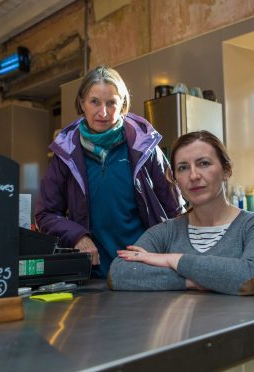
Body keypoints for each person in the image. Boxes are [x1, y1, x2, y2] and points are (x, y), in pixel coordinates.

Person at [35, 65, 184, 278]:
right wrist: (78, 237)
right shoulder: (65, 153)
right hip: (91, 276)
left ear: (122, 104)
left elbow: (175, 212)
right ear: (82, 103)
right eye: (94, 101)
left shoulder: (146, 148)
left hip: (145, 272)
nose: (103, 112)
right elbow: (46, 214)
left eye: (111, 103)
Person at [108, 130, 254, 295]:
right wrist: (190, 282)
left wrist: (171, 260)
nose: (193, 176)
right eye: (183, 168)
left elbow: (253, 277)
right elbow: (118, 273)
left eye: (204, 163)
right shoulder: (166, 232)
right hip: (181, 325)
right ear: (175, 179)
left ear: (226, 171)